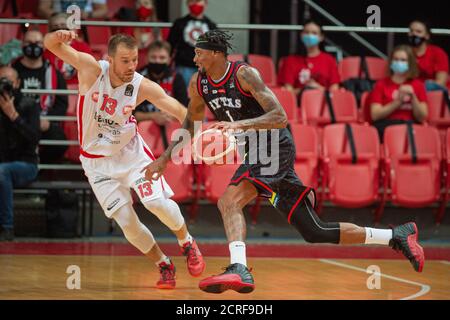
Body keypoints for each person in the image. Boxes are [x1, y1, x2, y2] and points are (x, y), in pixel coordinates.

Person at [143, 30, 425, 294]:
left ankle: (239, 267)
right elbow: (191, 123)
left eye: (199, 53)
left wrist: (239, 126)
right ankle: (395, 235)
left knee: (228, 200)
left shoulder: (245, 75)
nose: (194, 59)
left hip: (274, 146)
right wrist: (165, 159)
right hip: (255, 153)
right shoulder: (200, 83)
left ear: (215, 53)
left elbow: (280, 117)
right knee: (314, 231)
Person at [44, 30, 205, 289]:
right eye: (125, 61)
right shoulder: (91, 70)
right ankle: (164, 264)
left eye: (134, 60)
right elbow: (50, 45)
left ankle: (187, 242)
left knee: (155, 203)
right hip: (96, 164)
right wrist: (58, 35)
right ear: (110, 58)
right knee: (128, 224)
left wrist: (197, 128)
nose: (132, 66)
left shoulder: (141, 85)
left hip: (131, 155)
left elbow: (180, 111)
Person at [13, 29, 69, 164]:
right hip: (16, 121)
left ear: (43, 46)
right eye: (29, 42)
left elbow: (62, 104)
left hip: (44, 121)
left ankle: (39, 167)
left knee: (60, 143)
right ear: (22, 45)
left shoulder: (54, 73)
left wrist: (48, 121)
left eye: (37, 42)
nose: (33, 46)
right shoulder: (11, 70)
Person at [0, 66, 41, 241]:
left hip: (26, 165)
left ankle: (7, 228)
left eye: (8, 81)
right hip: (2, 165)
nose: (4, 85)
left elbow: (34, 138)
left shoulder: (29, 105)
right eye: (1, 81)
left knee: (2, 171)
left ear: (17, 83)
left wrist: (14, 116)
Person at [370, 45, 428, 141]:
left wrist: (413, 97)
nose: (398, 62)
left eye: (403, 60)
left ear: (410, 63)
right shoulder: (381, 84)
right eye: (395, 59)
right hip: (387, 127)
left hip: (411, 127)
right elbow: (375, 115)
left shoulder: (418, 85)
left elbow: (422, 117)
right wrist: (397, 102)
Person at [277, 20, 340, 98]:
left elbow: (335, 90)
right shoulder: (290, 61)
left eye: (314, 33)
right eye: (306, 32)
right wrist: (305, 89)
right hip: (298, 106)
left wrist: (317, 88)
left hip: (324, 106)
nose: (310, 35)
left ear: (321, 37)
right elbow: (287, 92)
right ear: (301, 35)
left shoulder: (329, 60)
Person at [135, 40, 188, 127]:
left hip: (171, 126)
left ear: (169, 60)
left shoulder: (176, 77)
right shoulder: (137, 78)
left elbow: (185, 110)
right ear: (147, 58)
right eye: (153, 57)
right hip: (141, 129)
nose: (157, 61)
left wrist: (169, 116)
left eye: (162, 58)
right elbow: (131, 114)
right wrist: (153, 117)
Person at [168, 0, 216, 88]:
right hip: (184, 66)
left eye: (198, 1)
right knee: (184, 97)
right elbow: (170, 45)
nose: (195, 4)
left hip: (205, 68)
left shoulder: (211, 26)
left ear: (205, 3)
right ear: (187, 3)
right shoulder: (179, 23)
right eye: (192, 1)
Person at [44, 12, 94, 85]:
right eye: (55, 27)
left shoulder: (82, 47)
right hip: (56, 89)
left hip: (78, 88)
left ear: (72, 28)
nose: (60, 30)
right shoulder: (48, 49)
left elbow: (90, 71)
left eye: (63, 26)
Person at [408, 19, 450, 106]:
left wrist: (420, 89)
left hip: (436, 93)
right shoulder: (405, 53)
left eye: (418, 31)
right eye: (411, 31)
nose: (414, 34)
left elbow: (441, 82)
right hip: (412, 92)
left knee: (428, 85)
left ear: (427, 36)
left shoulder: (438, 53)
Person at [37, 0, 108, 19]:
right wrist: (62, 16)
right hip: (58, 24)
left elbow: (103, 11)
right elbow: (42, 9)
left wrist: (88, 14)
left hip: (85, 23)